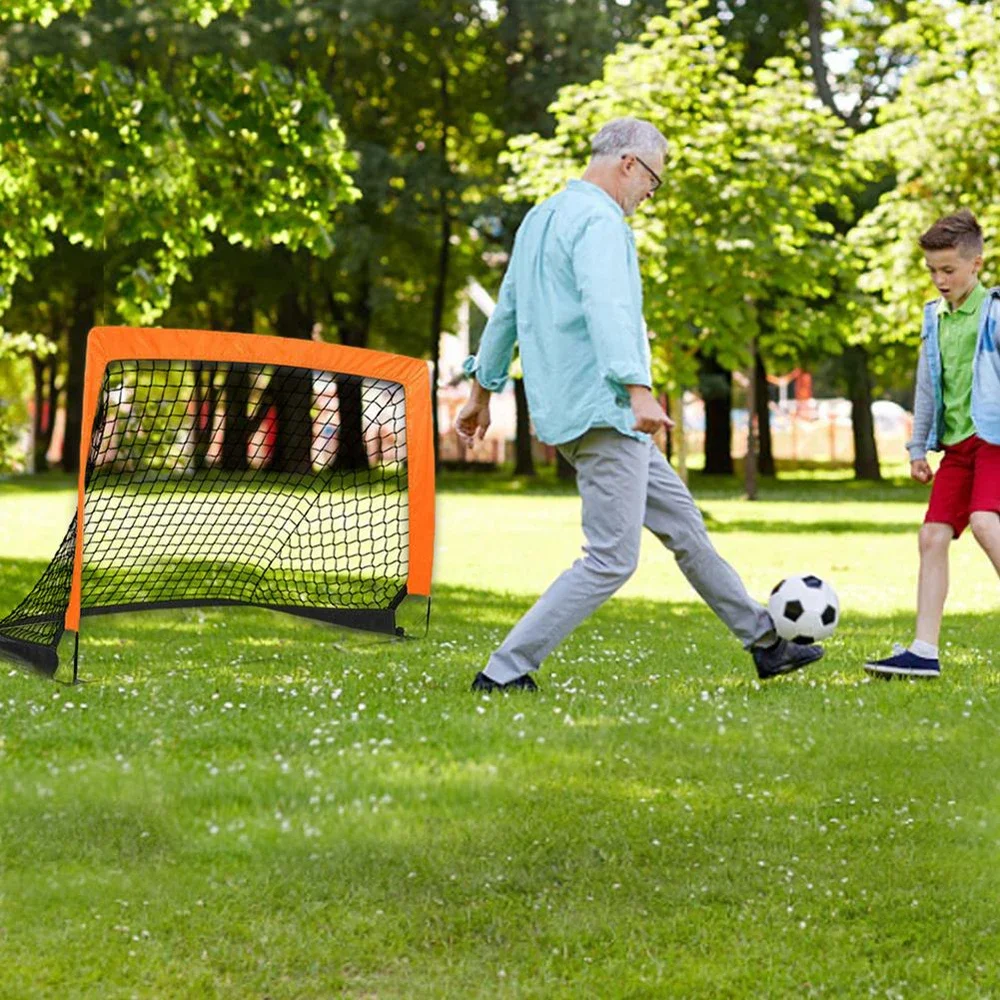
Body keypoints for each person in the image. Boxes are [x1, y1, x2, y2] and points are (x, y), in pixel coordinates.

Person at [455, 116, 823, 693]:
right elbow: (609, 309)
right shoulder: (600, 221)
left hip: (577, 409)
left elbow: (506, 313)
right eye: (652, 181)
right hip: (606, 408)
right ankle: (504, 671)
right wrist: (637, 390)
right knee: (610, 559)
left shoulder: (540, 218)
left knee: (685, 529)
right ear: (628, 163)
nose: (649, 196)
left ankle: (763, 643)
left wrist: (482, 391)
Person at [865, 209, 1000, 678]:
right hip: (958, 446)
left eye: (949, 270)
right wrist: (917, 448)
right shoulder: (934, 318)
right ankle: (924, 650)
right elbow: (928, 386)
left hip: (994, 440)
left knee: (985, 522)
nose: (940, 280)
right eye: (933, 272)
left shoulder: (995, 313)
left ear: (976, 264)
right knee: (932, 537)